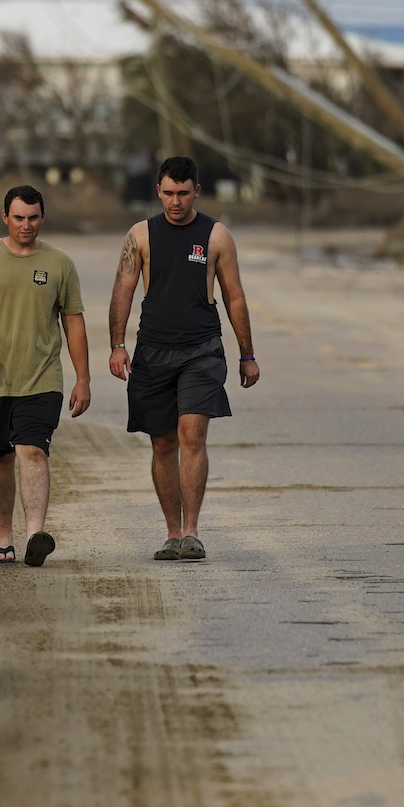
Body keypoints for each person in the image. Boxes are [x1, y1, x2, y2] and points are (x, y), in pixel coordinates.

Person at [108, 156, 258, 561]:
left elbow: (235, 295)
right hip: (153, 351)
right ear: (158, 191)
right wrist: (117, 345)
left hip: (202, 349)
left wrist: (247, 353)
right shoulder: (140, 235)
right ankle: (172, 534)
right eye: (169, 193)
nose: (176, 201)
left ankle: (192, 532)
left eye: (183, 193)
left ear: (196, 191)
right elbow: (123, 290)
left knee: (192, 435)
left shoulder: (216, 235)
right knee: (162, 443)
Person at [0, 184, 91, 566]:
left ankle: (34, 536)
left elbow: (74, 324)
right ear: (6, 217)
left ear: (43, 217)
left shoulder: (60, 263)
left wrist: (83, 379)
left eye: (34, 218)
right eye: (19, 218)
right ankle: (4, 540)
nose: (27, 225)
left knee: (32, 450)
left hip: (41, 379)